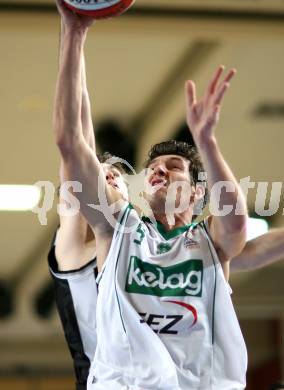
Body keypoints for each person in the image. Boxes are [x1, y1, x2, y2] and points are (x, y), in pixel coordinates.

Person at [54, 0, 249, 388]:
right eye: (154, 168)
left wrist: (206, 142)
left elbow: (237, 222)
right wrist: (74, 36)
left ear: (196, 193)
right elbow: (71, 141)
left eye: (173, 166)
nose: (159, 170)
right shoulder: (119, 227)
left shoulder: (209, 242)